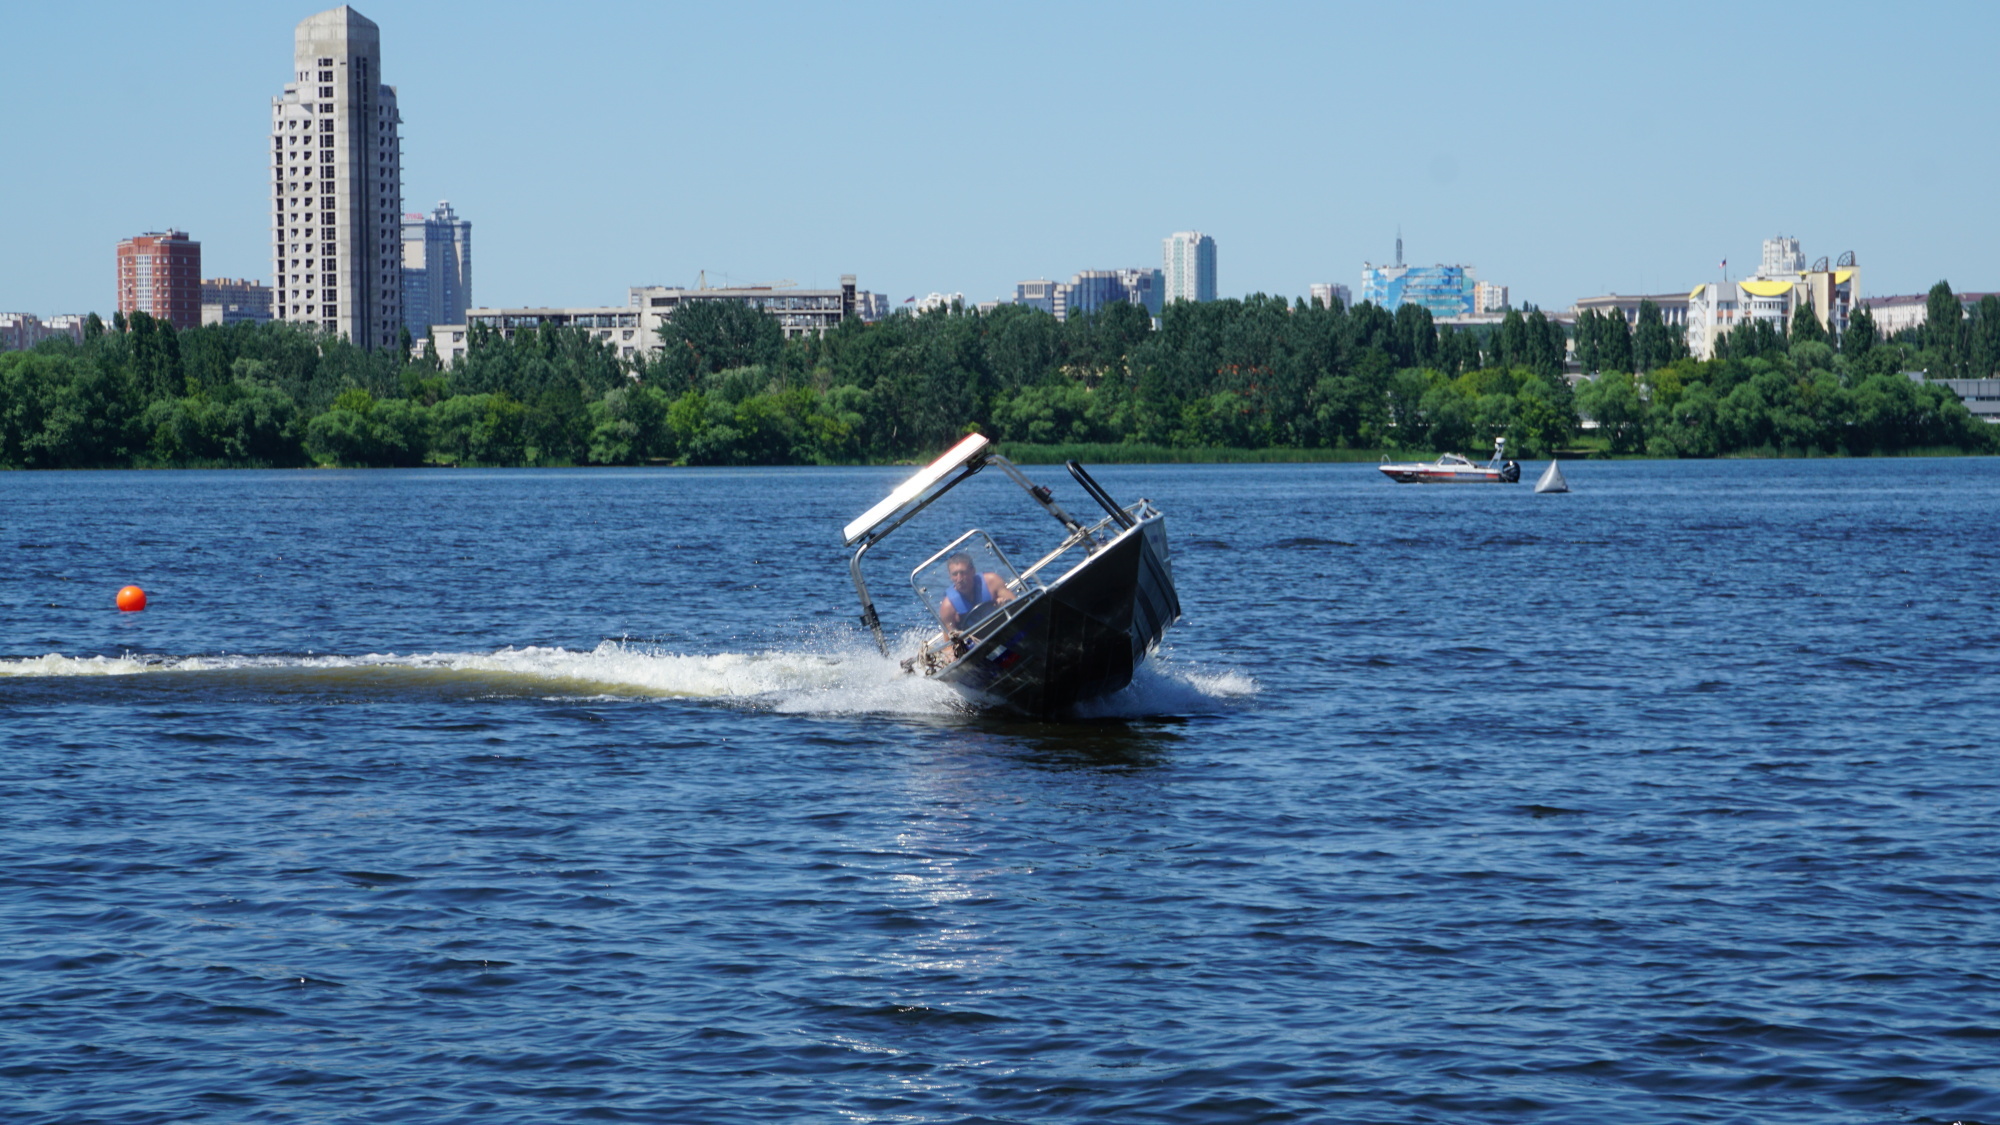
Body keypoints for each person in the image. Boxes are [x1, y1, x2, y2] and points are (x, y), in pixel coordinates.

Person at [937, 551, 1014, 636]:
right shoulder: (948, 607)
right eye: (955, 574)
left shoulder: (992, 582)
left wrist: (1004, 604)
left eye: (963, 573)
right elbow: (949, 645)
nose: (959, 579)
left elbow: (1018, 605)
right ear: (950, 576)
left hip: (1003, 629)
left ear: (973, 571)